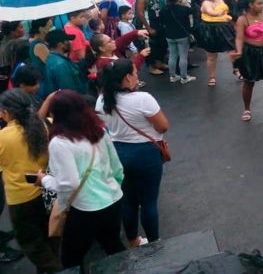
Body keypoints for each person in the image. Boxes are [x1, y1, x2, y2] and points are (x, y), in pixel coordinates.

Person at [38, 90, 126, 269]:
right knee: (114, 247)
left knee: (71, 259)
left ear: (56, 114)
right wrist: (113, 187)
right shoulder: (98, 131)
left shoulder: (60, 142)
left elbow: (69, 183)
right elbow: (117, 168)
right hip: (113, 198)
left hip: (85, 208)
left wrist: (45, 180)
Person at [95, 59, 168, 248]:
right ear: (127, 78)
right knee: (149, 201)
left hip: (117, 152)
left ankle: (133, 240)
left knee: (128, 200)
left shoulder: (102, 100)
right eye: (135, 72)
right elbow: (163, 125)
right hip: (145, 154)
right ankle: (154, 242)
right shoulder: (143, 99)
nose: (137, 75)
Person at [0, 89, 61, 273]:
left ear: (7, 113)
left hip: (20, 199)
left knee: (32, 243)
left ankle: (55, 270)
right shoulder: (44, 125)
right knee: (50, 234)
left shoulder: (3, 137)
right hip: (47, 192)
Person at [195, 0, 236, 86]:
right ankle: (212, 77)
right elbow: (210, 12)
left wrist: (223, 14)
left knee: (232, 50)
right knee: (212, 55)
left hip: (223, 27)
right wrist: (220, 13)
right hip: (210, 29)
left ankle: (236, 69)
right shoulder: (206, 2)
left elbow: (224, 10)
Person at [162, 0, 196, 84]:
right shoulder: (184, 9)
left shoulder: (164, 9)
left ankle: (172, 76)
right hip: (182, 36)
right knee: (183, 56)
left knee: (172, 55)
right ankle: (184, 77)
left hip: (169, 35)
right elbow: (192, 10)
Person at [41, 30, 87, 97]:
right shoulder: (60, 65)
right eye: (67, 41)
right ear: (60, 45)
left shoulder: (53, 59)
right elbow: (68, 92)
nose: (70, 43)